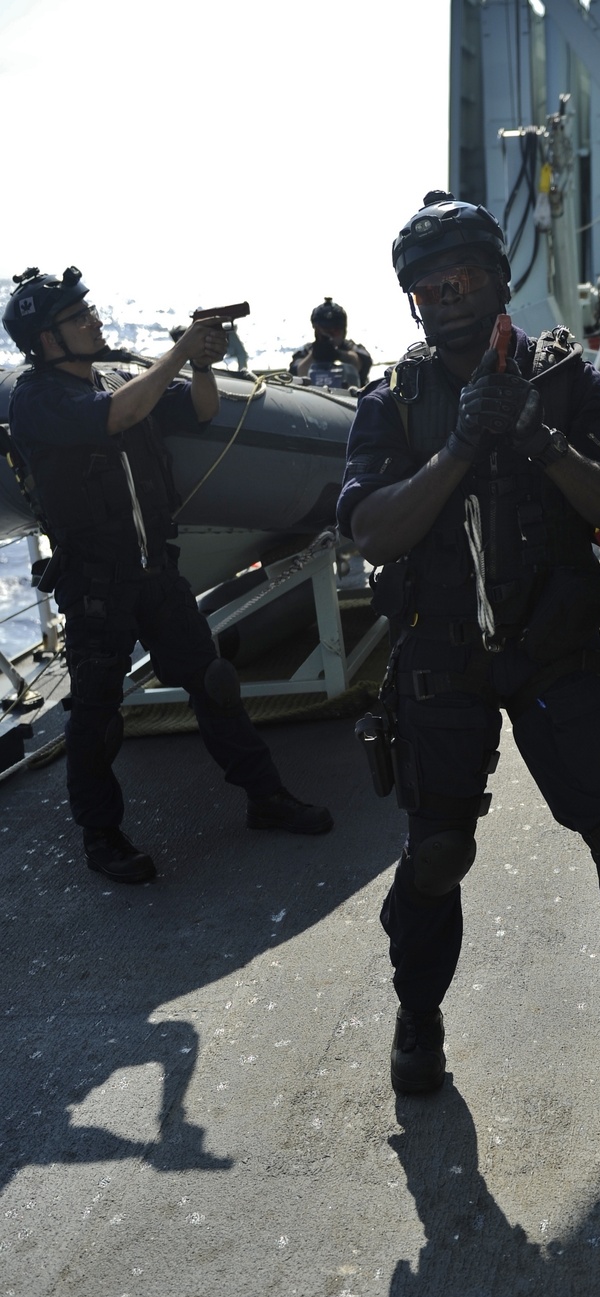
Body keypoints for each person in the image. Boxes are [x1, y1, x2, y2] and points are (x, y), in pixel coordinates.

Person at [338, 191, 600, 1094]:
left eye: (464, 276)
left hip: (555, 650)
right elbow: (374, 533)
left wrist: (542, 439)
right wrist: (460, 448)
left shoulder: (564, 379)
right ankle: (418, 1018)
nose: (448, 297)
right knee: (436, 855)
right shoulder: (392, 401)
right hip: (441, 660)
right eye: (428, 288)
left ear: (499, 278)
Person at [2, 267, 333, 885]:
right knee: (97, 717)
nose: (94, 321)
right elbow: (113, 416)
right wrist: (178, 349)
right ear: (47, 341)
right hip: (97, 584)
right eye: (79, 317)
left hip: (156, 570)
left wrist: (202, 363)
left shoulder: (117, 378)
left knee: (213, 683)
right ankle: (101, 836)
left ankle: (266, 797)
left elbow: (199, 410)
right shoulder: (38, 398)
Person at [289, 298, 372, 389]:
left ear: (343, 331)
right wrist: (315, 354)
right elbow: (297, 371)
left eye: (334, 331)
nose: (329, 336)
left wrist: (337, 354)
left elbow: (361, 362)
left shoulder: (352, 348)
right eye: (323, 331)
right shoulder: (306, 352)